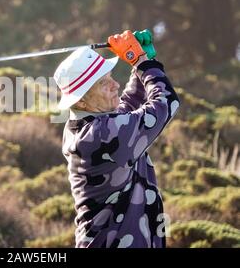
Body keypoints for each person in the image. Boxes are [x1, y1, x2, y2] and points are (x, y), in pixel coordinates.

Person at [53, 30, 180, 248]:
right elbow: (167, 103)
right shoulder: (100, 135)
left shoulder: (94, 123)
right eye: (104, 84)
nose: (116, 86)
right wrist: (141, 63)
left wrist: (144, 60)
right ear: (82, 101)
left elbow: (129, 104)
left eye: (111, 78)